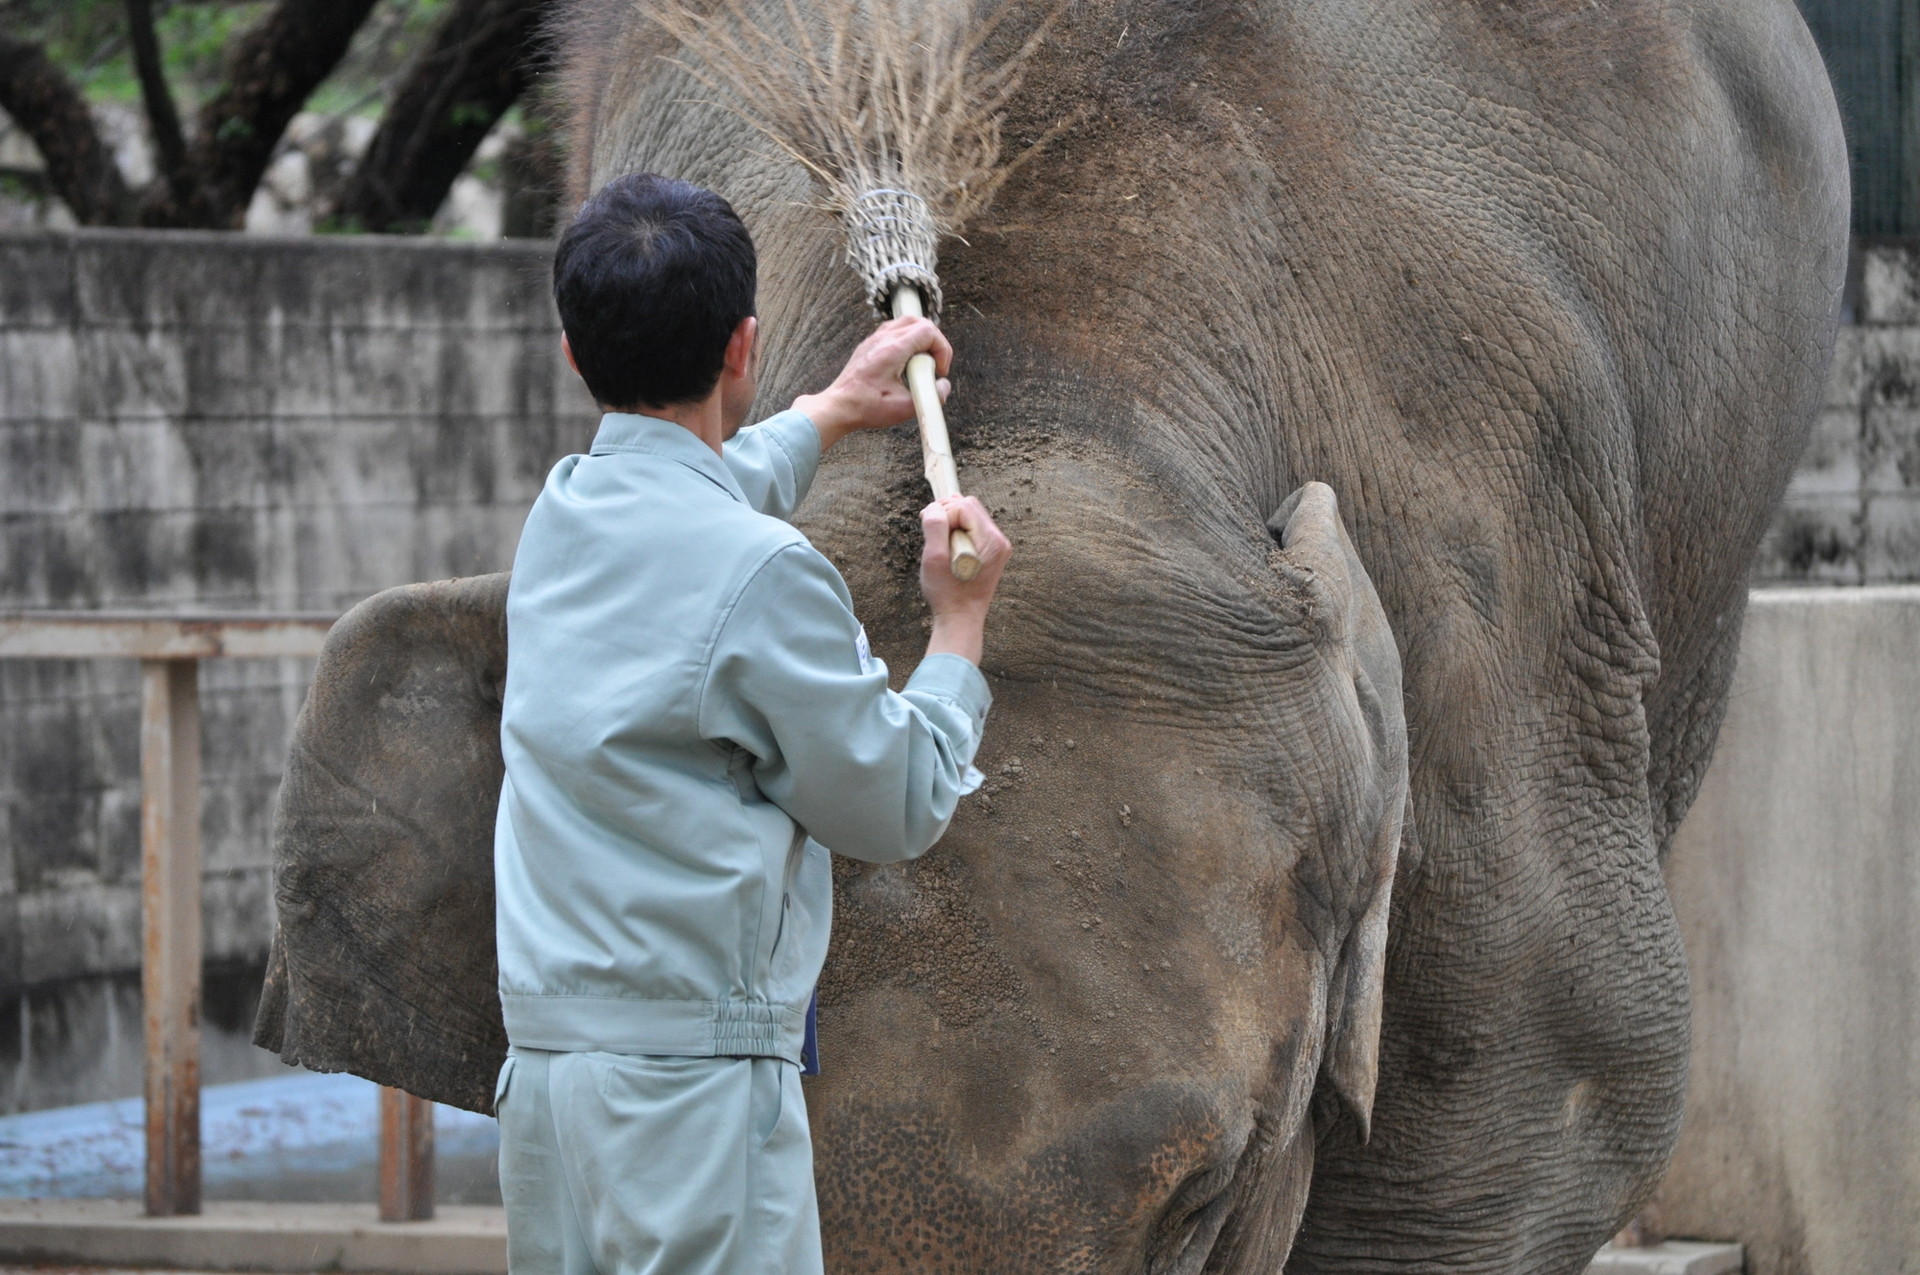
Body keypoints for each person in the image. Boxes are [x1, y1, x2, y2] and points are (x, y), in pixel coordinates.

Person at [490, 171, 1011, 1275]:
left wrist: (830, 411)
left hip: (547, 1089)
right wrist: (958, 628)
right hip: (691, 1108)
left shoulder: (565, 511)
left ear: (577, 356)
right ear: (743, 346)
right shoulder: (765, 572)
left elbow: (694, 510)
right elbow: (896, 799)